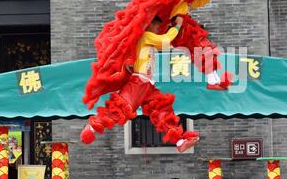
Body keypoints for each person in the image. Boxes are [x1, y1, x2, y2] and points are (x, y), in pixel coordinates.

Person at [81, 15, 199, 153]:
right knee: (121, 109)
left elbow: (166, 43)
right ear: (149, 24)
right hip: (138, 82)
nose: (157, 29)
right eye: (156, 26)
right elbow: (165, 40)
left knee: (161, 109)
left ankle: (179, 141)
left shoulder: (148, 39)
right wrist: (177, 26)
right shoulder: (145, 36)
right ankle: (92, 127)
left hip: (146, 84)